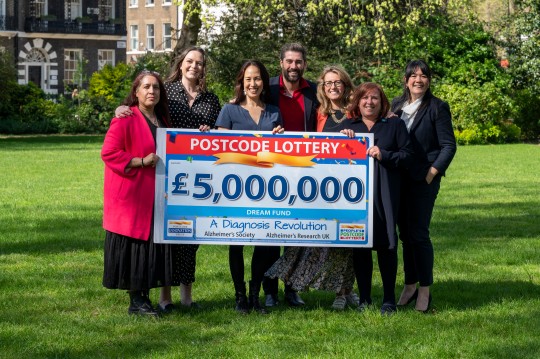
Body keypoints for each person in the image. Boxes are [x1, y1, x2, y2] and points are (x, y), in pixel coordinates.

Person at [115, 46, 221, 313]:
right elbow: (143, 109)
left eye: (199, 62)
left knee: (191, 234)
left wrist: (211, 131)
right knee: (169, 233)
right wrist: (122, 108)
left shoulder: (211, 99)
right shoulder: (167, 91)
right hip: (168, 173)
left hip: (200, 174)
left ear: (204, 67)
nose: (194, 66)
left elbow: (221, 133)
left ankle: (187, 295)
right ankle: (165, 296)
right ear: (181, 63)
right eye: (189, 61)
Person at [265, 65, 360, 311]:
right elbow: (303, 140)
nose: (333, 87)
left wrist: (356, 134)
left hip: (350, 187)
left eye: (337, 82)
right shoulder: (319, 112)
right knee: (323, 240)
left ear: (346, 84)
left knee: (347, 242)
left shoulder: (355, 112)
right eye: (328, 83)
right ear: (323, 88)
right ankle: (336, 289)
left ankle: (344, 291)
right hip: (322, 187)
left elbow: (374, 125)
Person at [215, 60, 284, 314]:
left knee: (263, 244)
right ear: (241, 83)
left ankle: (255, 294)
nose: (253, 84)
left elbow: (283, 152)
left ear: (263, 83)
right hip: (236, 190)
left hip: (265, 190)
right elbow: (218, 151)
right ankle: (239, 296)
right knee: (236, 244)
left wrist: (281, 137)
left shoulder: (274, 112)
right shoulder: (229, 111)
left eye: (257, 79)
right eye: (248, 79)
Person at [101, 70, 172, 317]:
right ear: (136, 91)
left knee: (149, 248)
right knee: (134, 249)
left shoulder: (162, 119)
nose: (151, 91)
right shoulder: (125, 117)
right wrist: (139, 161)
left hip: (154, 195)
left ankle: (144, 299)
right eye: (146, 87)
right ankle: (136, 301)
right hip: (131, 195)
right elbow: (108, 153)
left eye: (155, 87)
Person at [391, 60, 457, 313]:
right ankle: (409, 285)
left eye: (424, 76)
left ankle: (425, 290)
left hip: (423, 180)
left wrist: (432, 173)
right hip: (398, 178)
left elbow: (448, 145)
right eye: (413, 75)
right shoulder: (396, 106)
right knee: (405, 236)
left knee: (418, 235)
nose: (418, 80)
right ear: (406, 80)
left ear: (429, 80)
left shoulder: (437, 107)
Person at [345, 82, 414, 315]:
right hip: (356, 199)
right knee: (361, 247)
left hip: (385, 195)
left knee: (386, 246)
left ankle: (388, 299)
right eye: (364, 98)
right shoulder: (348, 126)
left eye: (374, 98)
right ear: (357, 101)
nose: (369, 102)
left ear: (381, 101)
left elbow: (408, 156)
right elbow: (326, 152)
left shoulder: (394, 124)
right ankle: (364, 298)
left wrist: (384, 154)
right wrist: (343, 139)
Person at [263, 43, 319, 307]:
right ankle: (270, 291)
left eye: (298, 62)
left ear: (304, 64)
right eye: (289, 61)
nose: (293, 66)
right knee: (271, 232)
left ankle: (293, 289)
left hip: (304, 170)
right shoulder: (268, 88)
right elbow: (244, 103)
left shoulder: (314, 92)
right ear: (281, 63)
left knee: (297, 234)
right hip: (271, 169)